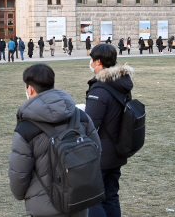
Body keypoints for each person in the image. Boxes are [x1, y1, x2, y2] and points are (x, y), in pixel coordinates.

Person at [9, 64, 100, 217]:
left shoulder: (25, 129)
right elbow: (96, 150)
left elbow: (18, 173)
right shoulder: (80, 116)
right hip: (79, 198)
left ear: (29, 89)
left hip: (44, 205)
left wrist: (21, 194)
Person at [86, 44, 134, 217]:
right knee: (110, 195)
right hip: (117, 149)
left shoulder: (100, 88)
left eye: (91, 59)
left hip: (101, 153)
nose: (90, 63)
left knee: (91, 198)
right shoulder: (121, 84)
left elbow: (90, 124)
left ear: (98, 61)